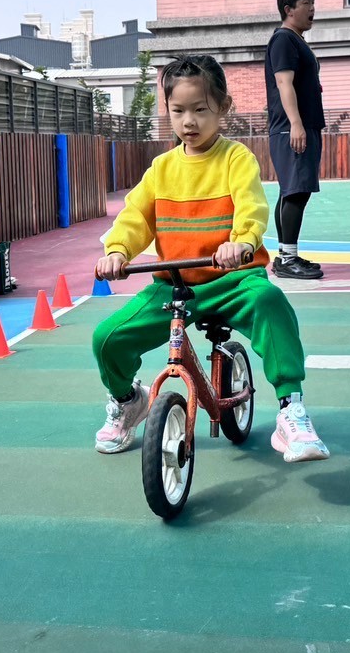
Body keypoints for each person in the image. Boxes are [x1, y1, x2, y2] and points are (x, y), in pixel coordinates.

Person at [92, 54, 329, 464]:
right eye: (178, 111)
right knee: (107, 337)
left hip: (232, 280)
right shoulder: (161, 169)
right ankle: (128, 400)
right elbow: (134, 218)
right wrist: (117, 250)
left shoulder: (236, 158)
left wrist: (241, 241)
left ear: (223, 108)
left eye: (200, 109)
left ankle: (291, 408)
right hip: (175, 286)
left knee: (269, 301)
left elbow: (251, 206)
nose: (189, 121)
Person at [265, 0, 325, 281]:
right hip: (291, 128)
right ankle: (287, 260)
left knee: (293, 191)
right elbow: (283, 83)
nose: (312, 8)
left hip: (304, 125)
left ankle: (286, 255)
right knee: (296, 192)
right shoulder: (284, 40)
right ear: (289, 9)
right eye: (306, 3)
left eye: (313, 2)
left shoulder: (297, 40)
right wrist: (296, 124)